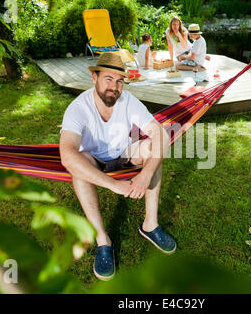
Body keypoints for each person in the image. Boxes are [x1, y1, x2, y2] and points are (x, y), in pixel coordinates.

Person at [59, 53, 176, 281]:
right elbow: (67, 155)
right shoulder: (78, 108)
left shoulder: (127, 101)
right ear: (94, 77)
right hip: (93, 160)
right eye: (108, 79)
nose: (114, 87)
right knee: (77, 165)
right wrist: (114, 185)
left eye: (120, 81)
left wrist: (145, 175)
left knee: (155, 148)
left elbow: (160, 134)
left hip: (124, 155)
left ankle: (150, 224)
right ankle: (103, 240)